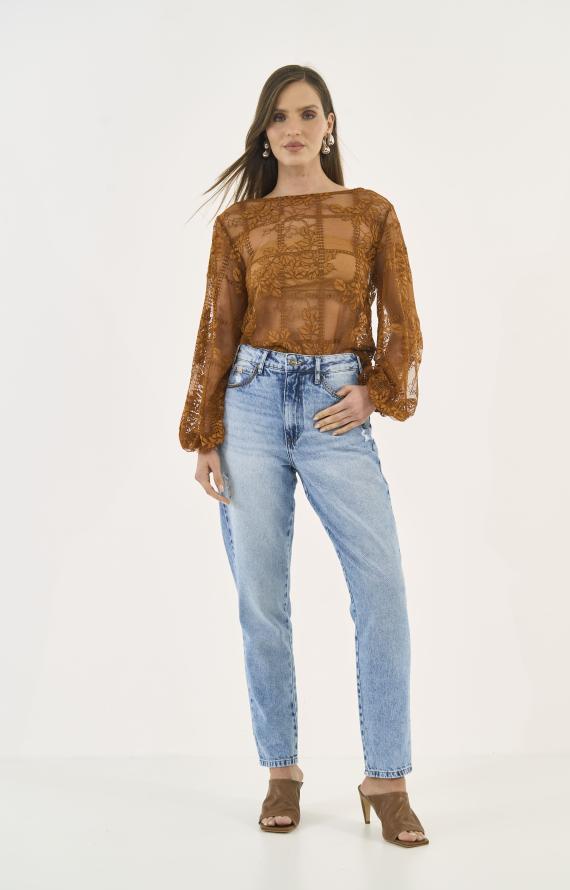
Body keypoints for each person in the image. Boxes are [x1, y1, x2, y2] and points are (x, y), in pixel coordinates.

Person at [178, 64, 428, 848]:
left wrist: (375, 393)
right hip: (249, 404)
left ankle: (387, 778)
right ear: (264, 132)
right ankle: (281, 770)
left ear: (330, 124)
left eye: (307, 113)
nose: (293, 128)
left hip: (333, 408)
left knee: (381, 589)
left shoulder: (371, 212)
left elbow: (403, 321)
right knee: (261, 595)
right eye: (279, 117)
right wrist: (206, 431)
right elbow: (217, 327)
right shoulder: (239, 226)